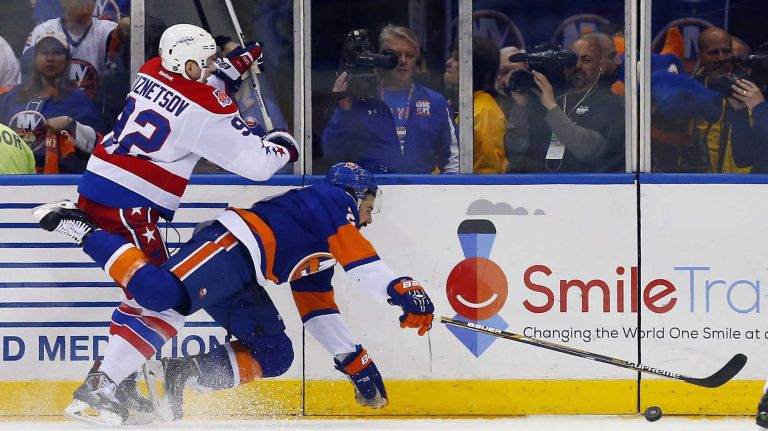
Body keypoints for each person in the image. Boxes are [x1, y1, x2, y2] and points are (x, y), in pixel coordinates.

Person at [32, 162, 435, 425]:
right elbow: (361, 263)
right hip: (230, 246)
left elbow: (317, 310)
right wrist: (400, 288)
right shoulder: (332, 199)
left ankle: (178, 373)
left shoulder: (325, 245)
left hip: (243, 275)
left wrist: (354, 361)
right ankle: (82, 227)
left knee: (275, 355)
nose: (369, 216)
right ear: (356, 195)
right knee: (159, 296)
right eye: (369, 206)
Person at [62, 22, 299, 423]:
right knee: (165, 301)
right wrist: (283, 144)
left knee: (140, 299)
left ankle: (117, 383)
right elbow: (257, 165)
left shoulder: (152, 70)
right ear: (187, 64)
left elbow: (190, 98)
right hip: (130, 204)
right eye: (205, 63)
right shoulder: (206, 107)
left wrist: (228, 72)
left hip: (103, 188)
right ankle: (96, 392)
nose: (210, 68)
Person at [322, 24, 459, 174]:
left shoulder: (435, 103)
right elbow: (331, 153)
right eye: (395, 55)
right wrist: (344, 108)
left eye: (410, 55)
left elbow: (454, 161)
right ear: (380, 57)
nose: (403, 61)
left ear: (417, 61)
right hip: (371, 187)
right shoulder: (360, 101)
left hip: (420, 187)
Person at [0, 30, 106, 173]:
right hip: (13, 178)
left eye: (57, 52)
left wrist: (70, 125)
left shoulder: (79, 101)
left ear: (67, 60)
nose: (50, 58)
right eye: (44, 52)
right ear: (35, 59)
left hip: (58, 181)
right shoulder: (11, 96)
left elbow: (101, 147)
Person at [528, 32, 625, 172]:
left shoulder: (615, 105)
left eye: (586, 60)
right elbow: (521, 149)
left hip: (590, 183)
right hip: (545, 182)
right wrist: (521, 105)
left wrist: (552, 107)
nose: (578, 65)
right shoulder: (553, 99)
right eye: (572, 60)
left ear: (601, 66)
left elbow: (588, 149)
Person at [23, 0, 129, 99]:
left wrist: (126, 31)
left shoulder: (106, 30)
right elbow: (28, 74)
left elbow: (118, 48)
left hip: (94, 109)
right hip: (51, 107)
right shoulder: (42, 31)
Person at [691, 27, 750, 173]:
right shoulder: (689, 93)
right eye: (714, 52)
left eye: (726, 52)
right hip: (699, 181)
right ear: (700, 56)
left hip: (748, 182)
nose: (722, 58)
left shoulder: (753, 93)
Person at [444, 37, 507, 173]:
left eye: (457, 59)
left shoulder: (485, 112)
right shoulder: (453, 104)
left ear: (476, 69)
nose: (448, 62)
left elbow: (487, 172)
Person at [729, 78, 768, 172]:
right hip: (759, 178)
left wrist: (760, 109)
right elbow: (743, 158)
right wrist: (740, 112)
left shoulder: (762, 110)